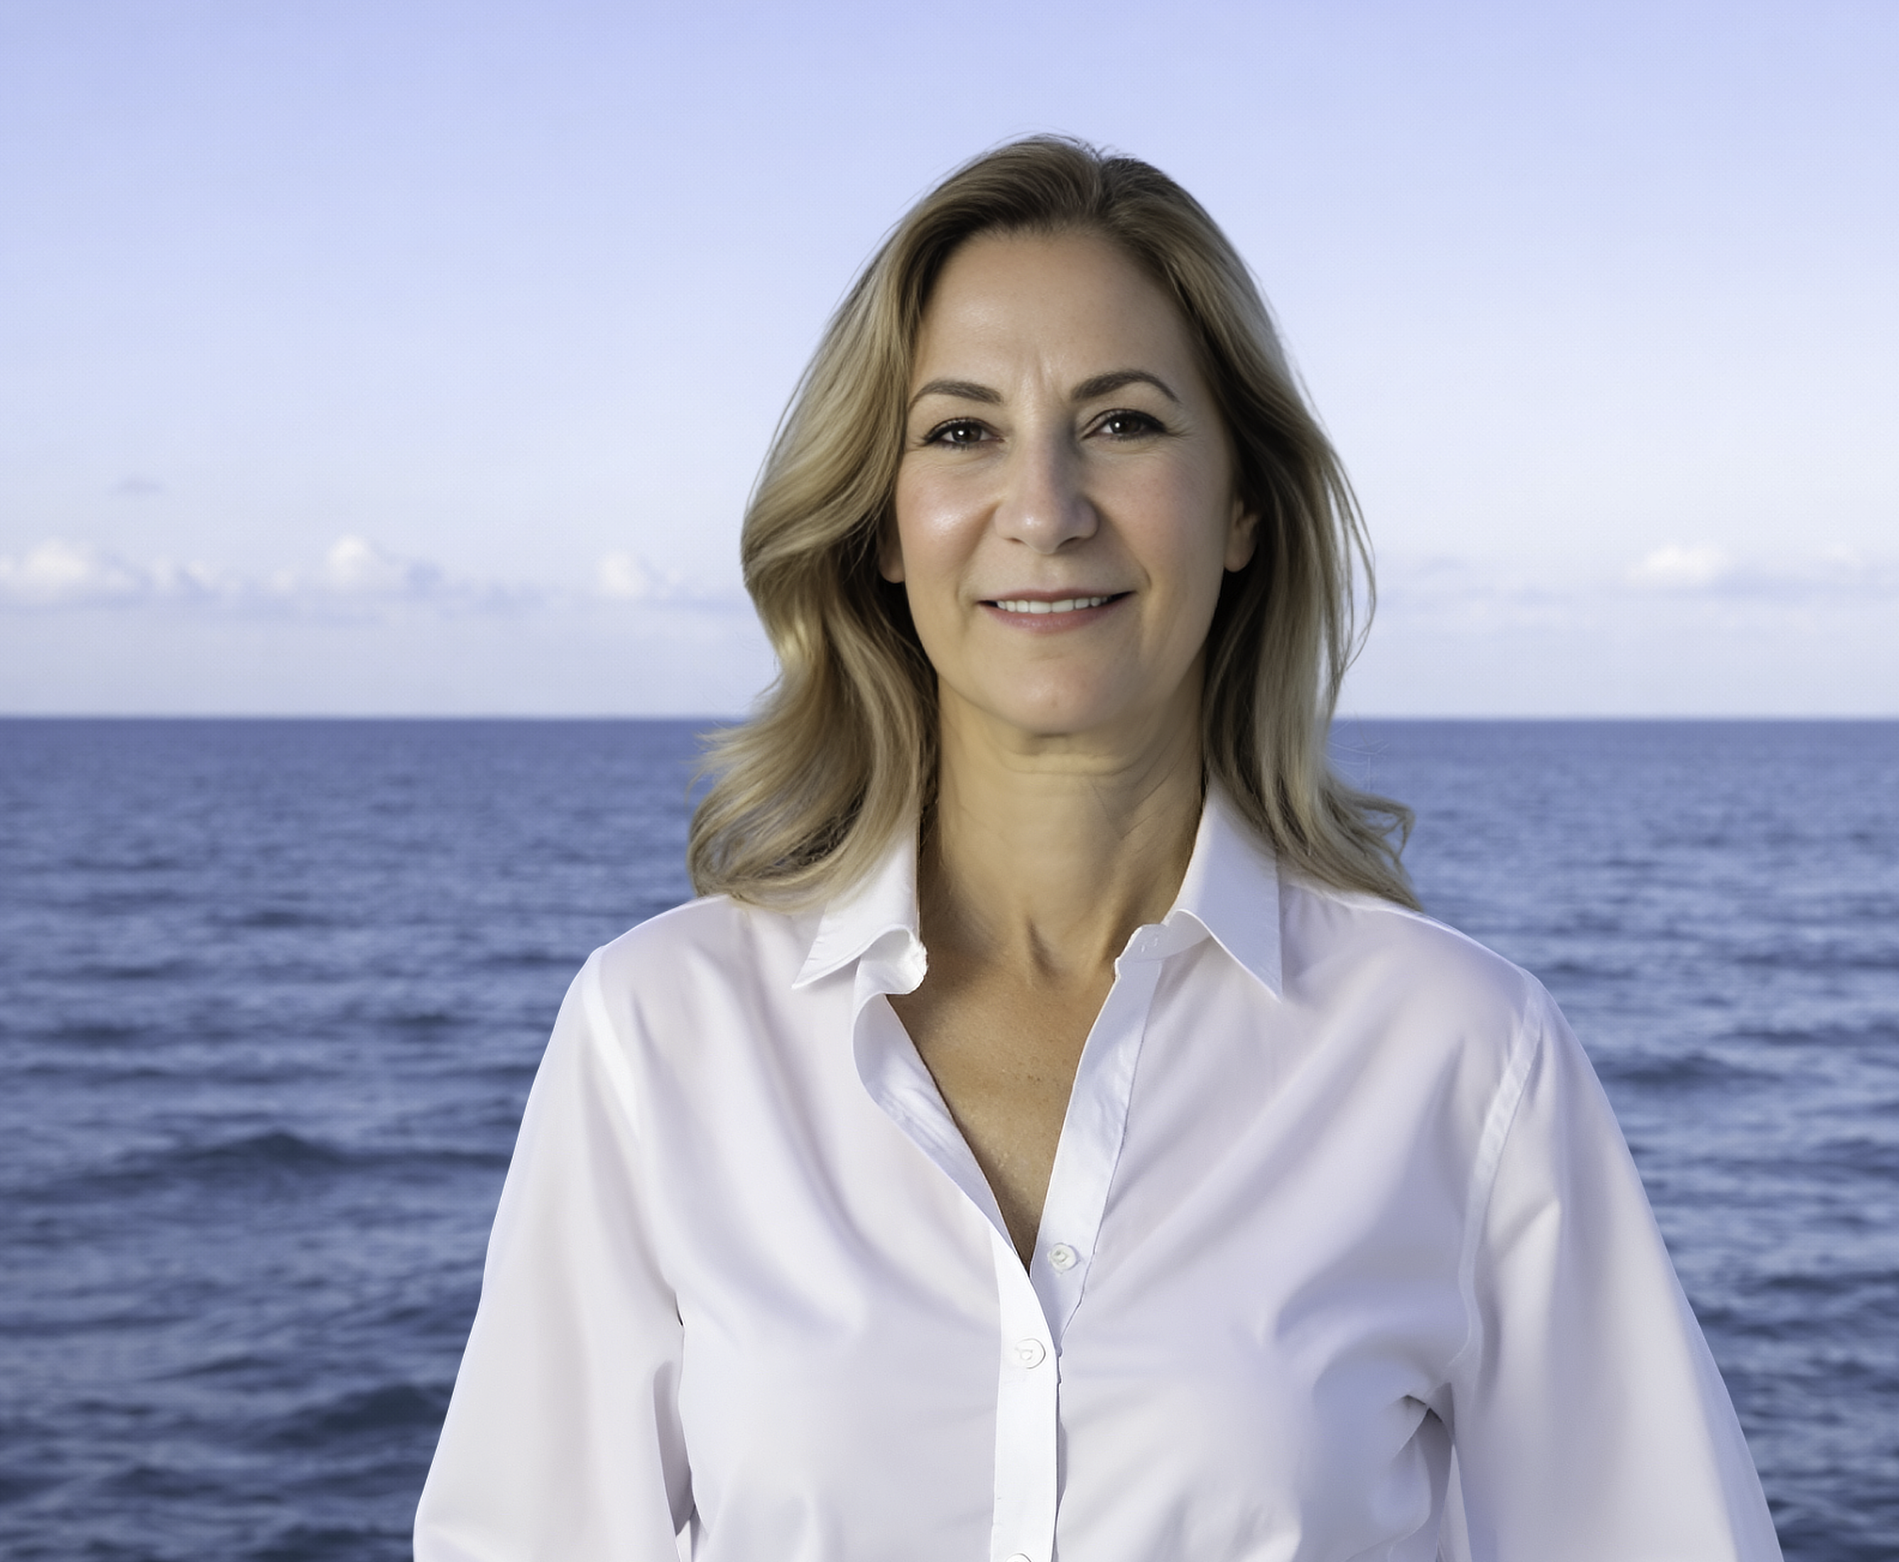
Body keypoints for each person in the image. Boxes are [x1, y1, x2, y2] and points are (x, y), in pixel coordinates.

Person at [414, 136, 1781, 1562]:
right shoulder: (659, 1036)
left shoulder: (1462, 1057)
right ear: (883, 525)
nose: (1047, 507)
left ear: (1244, 505)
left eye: (1123, 423)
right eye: (960, 432)